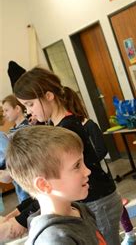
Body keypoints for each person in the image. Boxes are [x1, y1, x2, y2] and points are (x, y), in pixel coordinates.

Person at [13, 68, 123, 245]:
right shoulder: (57, 126)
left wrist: (19, 217)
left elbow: (53, 183)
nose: (29, 111)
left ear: (49, 96)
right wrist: (19, 212)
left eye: (30, 104)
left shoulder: (68, 128)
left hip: (99, 200)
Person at [6, 125, 107, 244]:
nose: (87, 171)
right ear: (44, 185)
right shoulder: (54, 239)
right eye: (77, 166)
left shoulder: (80, 210)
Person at [73, 100, 136, 245]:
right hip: (91, 179)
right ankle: (119, 234)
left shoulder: (89, 125)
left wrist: (88, 164)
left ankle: (130, 232)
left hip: (100, 174)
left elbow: (101, 149)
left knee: (117, 204)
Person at [2, 95, 31, 203]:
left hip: (26, 176)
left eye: (6, 110)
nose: (4, 114)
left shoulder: (27, 127)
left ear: (17, 109)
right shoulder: (11, 130)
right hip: (17, 181)